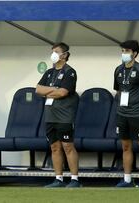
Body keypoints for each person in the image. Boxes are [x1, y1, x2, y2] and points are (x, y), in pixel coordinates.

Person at [36, 42, 81, 188]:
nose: (53, 54)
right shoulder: (49, 72)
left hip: (65, 116)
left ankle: (74, 179)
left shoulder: (70, 72)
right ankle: (58, 179)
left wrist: (48, 91)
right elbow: (37, 90)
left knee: (68, 146)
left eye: (56, 51)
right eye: (52, 51)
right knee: (54, 147)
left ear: (65, 55)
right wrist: (54, 89)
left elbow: (63, 92)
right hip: (50, 116)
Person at [113, 40, 139, 187]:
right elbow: (118, 90)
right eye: (123, 51)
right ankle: (127, 179)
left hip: (138, 113)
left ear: (135, 53)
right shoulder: (118, 70)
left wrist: (138, 100)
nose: (124, 54)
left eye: (127, 51)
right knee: (125, 146)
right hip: (122, 113)